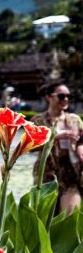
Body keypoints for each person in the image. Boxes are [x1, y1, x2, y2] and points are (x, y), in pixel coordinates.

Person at [32, 82, 83, 214]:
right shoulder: (38, 120)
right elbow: (31, 146)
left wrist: (81, 153)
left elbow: (81, 141)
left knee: (69, 218)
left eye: (68, 96)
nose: (65, 99)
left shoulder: (75, 120)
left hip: (71, 175)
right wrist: (55, 137)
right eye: (61, 96)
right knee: (45, 220)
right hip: (46, 176)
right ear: (48, 97)